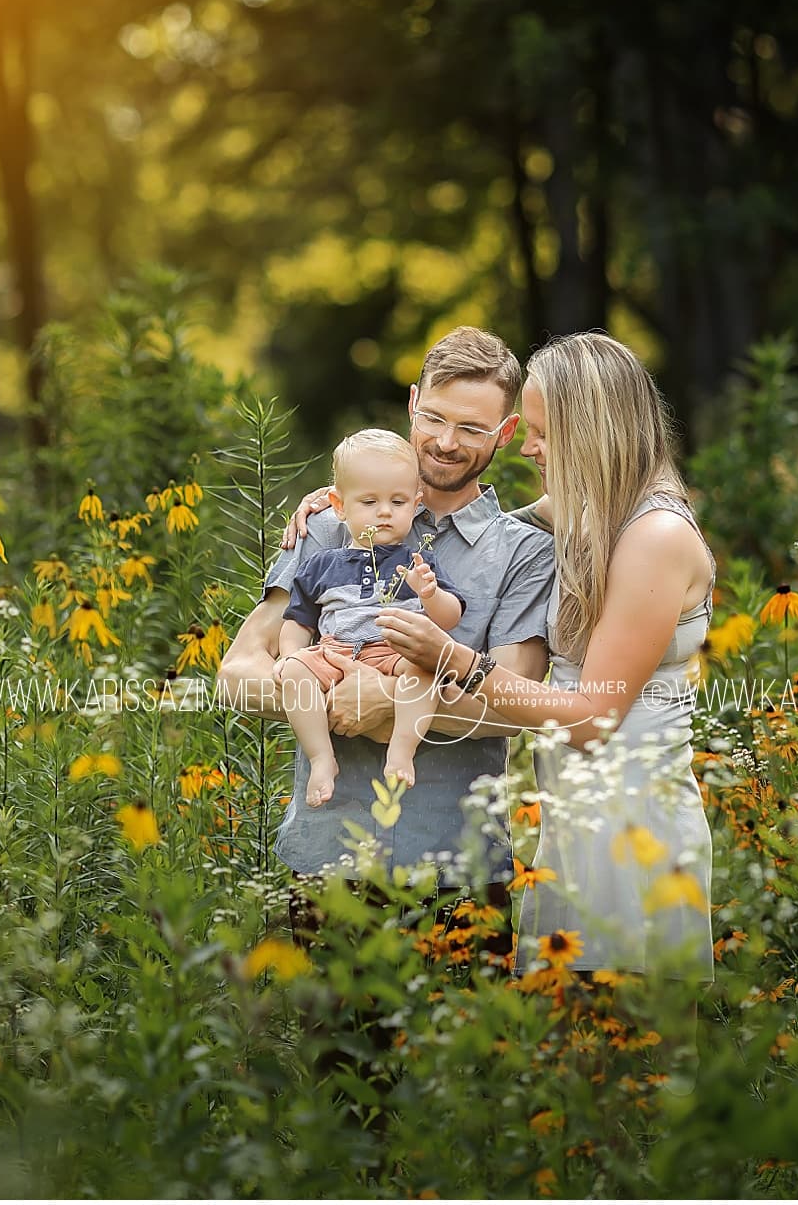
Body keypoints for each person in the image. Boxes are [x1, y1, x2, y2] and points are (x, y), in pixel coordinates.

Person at [371, 330, 718, 986]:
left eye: (542, 433)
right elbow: (475, 524)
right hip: (578, 821)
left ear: (592, 432)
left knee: (636, 1053)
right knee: (572, 1055)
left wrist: (458, 660)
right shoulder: (592, 509)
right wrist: (350, 510)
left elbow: (592, 717)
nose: (528, 448)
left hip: (632, 830)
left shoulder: (654, 536)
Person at [215, 325, 557, 917]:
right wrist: (339, 694)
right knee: (331, 1014)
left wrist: (389, 700)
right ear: (411, 406)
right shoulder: (326, 525)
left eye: (472, 428)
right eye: (434, 417)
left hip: (459, 863)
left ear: (505, 432)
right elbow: (237, 673)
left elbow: (514, 703)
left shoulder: (523, 552)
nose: (446, 442)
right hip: (328, 854)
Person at [274, 428, 466, 803]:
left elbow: (451, 617)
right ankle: (321, 758)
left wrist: (431, 594)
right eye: (369, 502)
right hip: (334, 651)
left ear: (416, 503)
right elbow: (298, 620)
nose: (384, 512)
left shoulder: (418, 561)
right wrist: (290, 655)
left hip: (393, 651)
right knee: (295, 672)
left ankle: (401, 749)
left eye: (397, 502)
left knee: (425, 673)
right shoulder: (321, 564)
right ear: (339, 505)